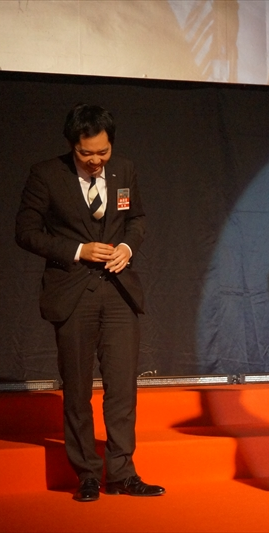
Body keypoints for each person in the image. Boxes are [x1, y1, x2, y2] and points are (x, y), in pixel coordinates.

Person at [15, 104, 164, 501]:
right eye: (87, 153)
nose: (96, 160)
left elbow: (137, 219)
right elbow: (25, 232)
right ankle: (87, 474)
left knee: (122, 389)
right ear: (72, 145)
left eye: (103, 151)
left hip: (118, 292)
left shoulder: (124, 170)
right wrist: (78, 250)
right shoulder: (46, 174)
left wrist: (127, 247)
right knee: (78, 389)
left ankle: (123, 472)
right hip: (73, 292)